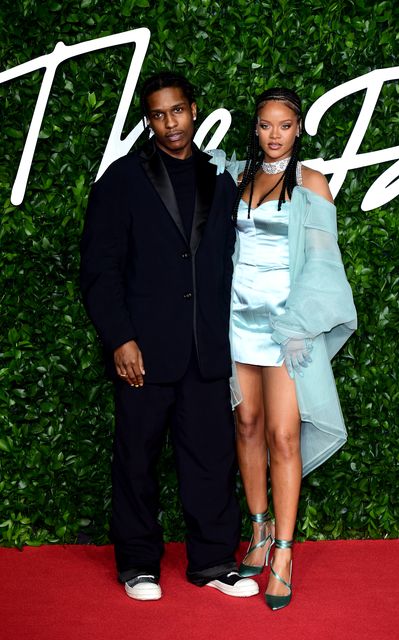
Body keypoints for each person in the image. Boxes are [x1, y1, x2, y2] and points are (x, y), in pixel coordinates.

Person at [79, 71, 259, 601]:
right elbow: (99, 269)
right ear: (147, 120)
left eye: (176, 111)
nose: (169, 123)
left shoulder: (217, 177)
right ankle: (138, 564)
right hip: (144, 350)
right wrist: (119, 339)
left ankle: (211, 562)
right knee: (136, 458)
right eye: (157, 114)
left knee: (210, 458)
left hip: (205, 348)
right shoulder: (122, 179)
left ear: (194, 110)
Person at [229, 88, 357, 610]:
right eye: (265, 125)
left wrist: (301, 324)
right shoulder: (234, 176)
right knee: (247, 424)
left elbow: (325, 265)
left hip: (287, 328)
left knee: (284, 435)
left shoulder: (312, 183)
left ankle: (283, 551)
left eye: (284, 125)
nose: (274, 134)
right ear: (255, 127)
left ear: (298, 128)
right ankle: (258, 530)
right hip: (237, 322)